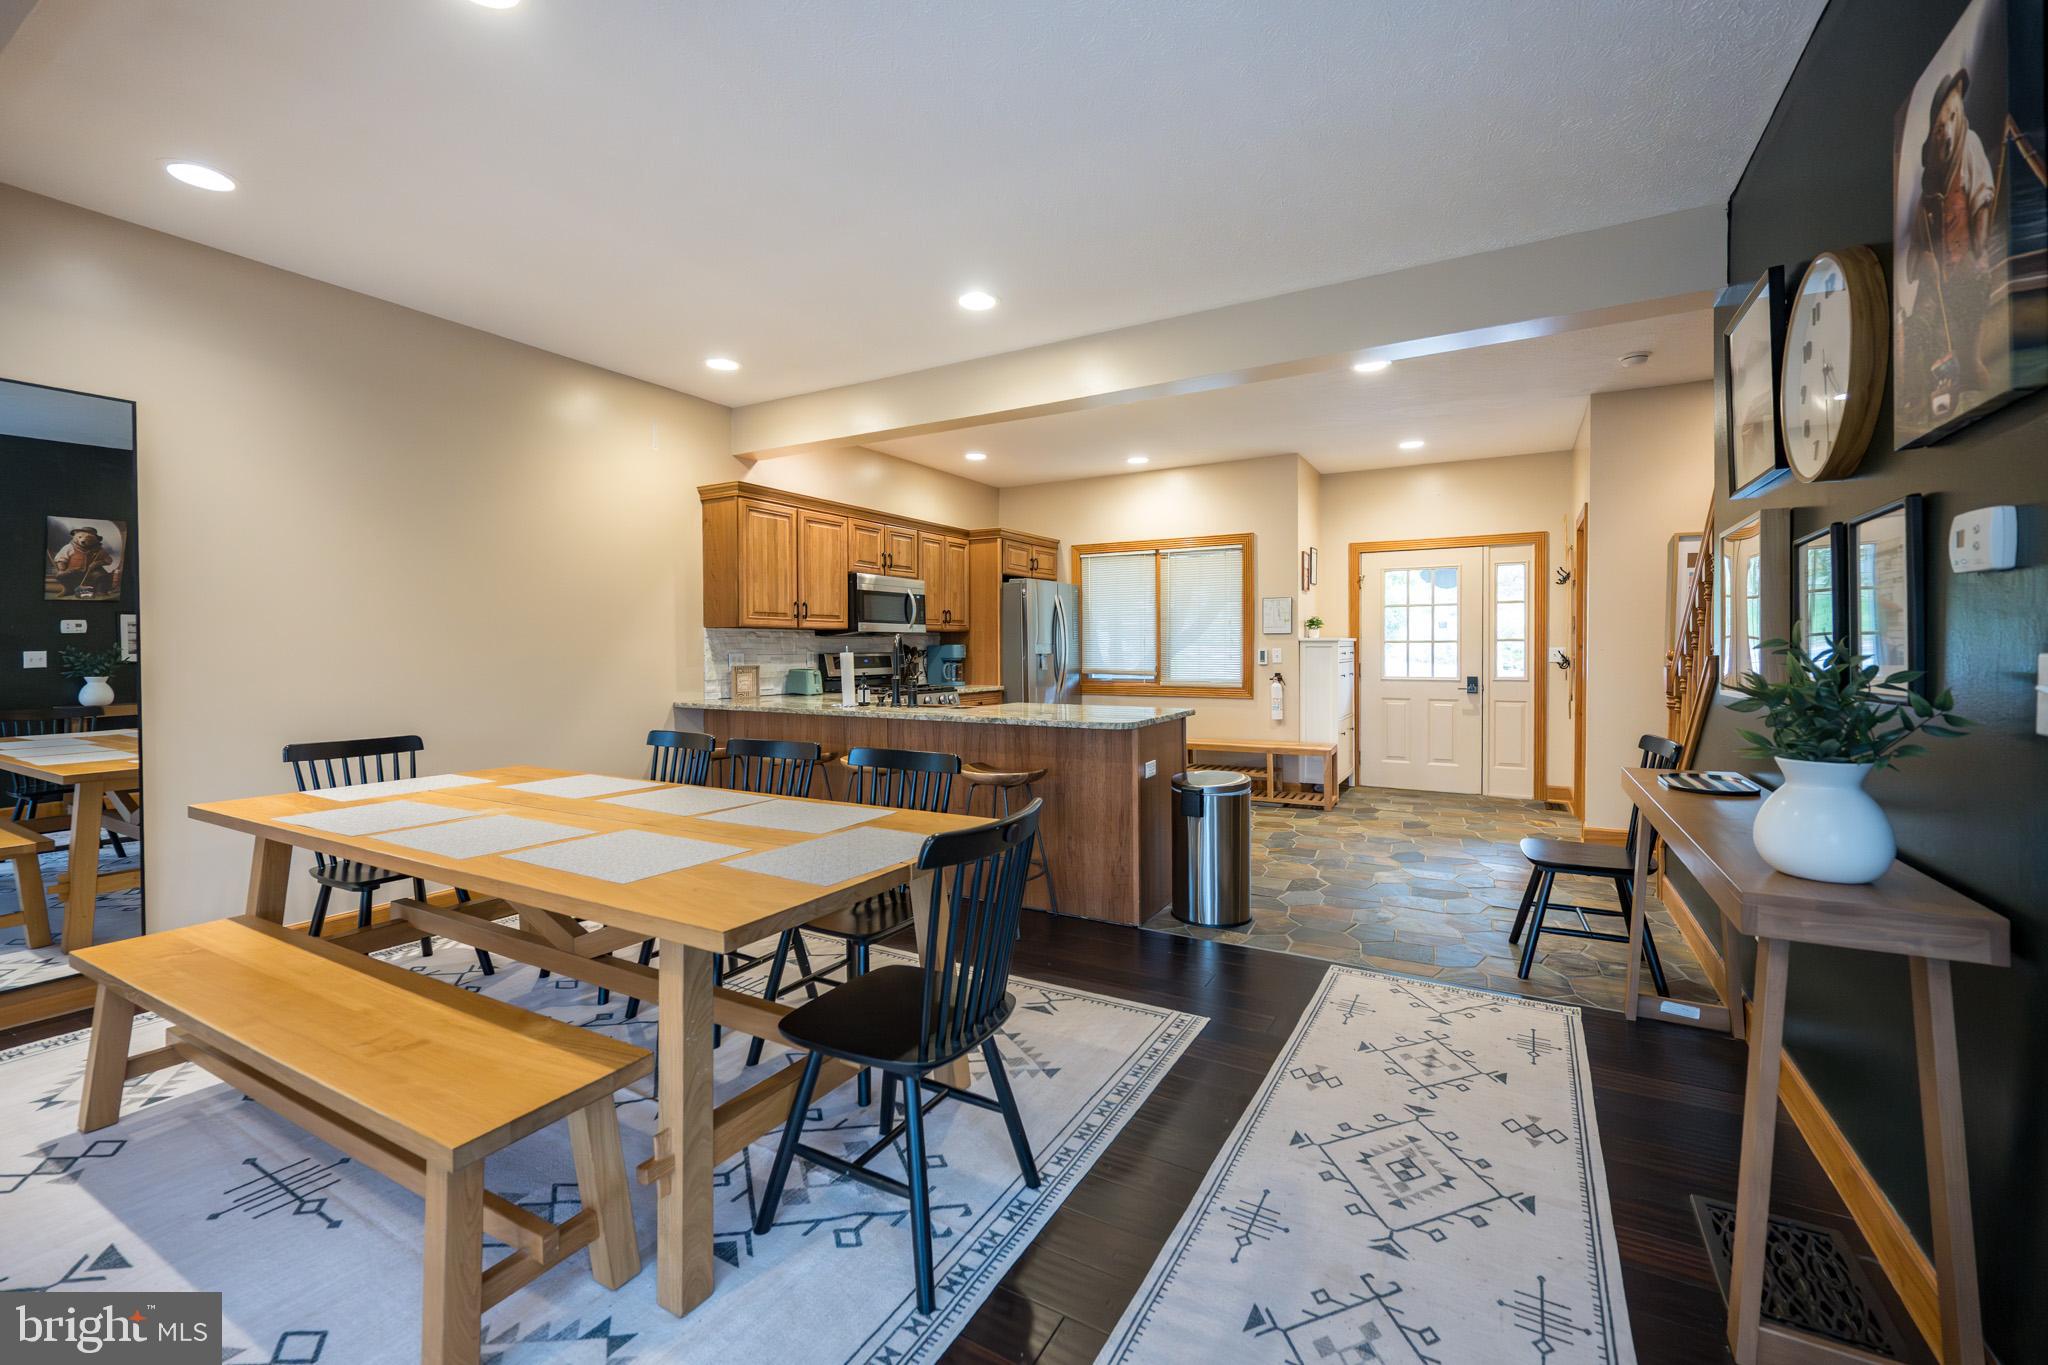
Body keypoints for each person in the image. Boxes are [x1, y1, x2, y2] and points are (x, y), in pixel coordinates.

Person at [1901, 68, 1998, 423]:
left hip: (1965, 262)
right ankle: (1927, 384)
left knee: (1970, 306)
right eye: (1939, 128)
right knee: (1923, 323)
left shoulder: (1968, 146)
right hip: (1936, 270)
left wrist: (1980, 245)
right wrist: (1925, 256)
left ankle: (1968, 365)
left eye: (1950, 123)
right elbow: (1919, 228)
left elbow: (1982, 197)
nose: (1945, 133)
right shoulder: (1932, 170)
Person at [49, 525, 119, 598]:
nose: (83, 540)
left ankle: (100, 591)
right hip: (74, 571)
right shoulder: (69, 547)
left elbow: (108, 560)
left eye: (88, 538)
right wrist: (62, 568)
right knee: (61, 575)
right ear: (76, 537)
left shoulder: (99, 550)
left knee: (102, 576)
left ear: (94, 540)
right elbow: (61, 558)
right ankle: (68, 589)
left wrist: (97, 563)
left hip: (92, 572)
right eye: (80, 537)